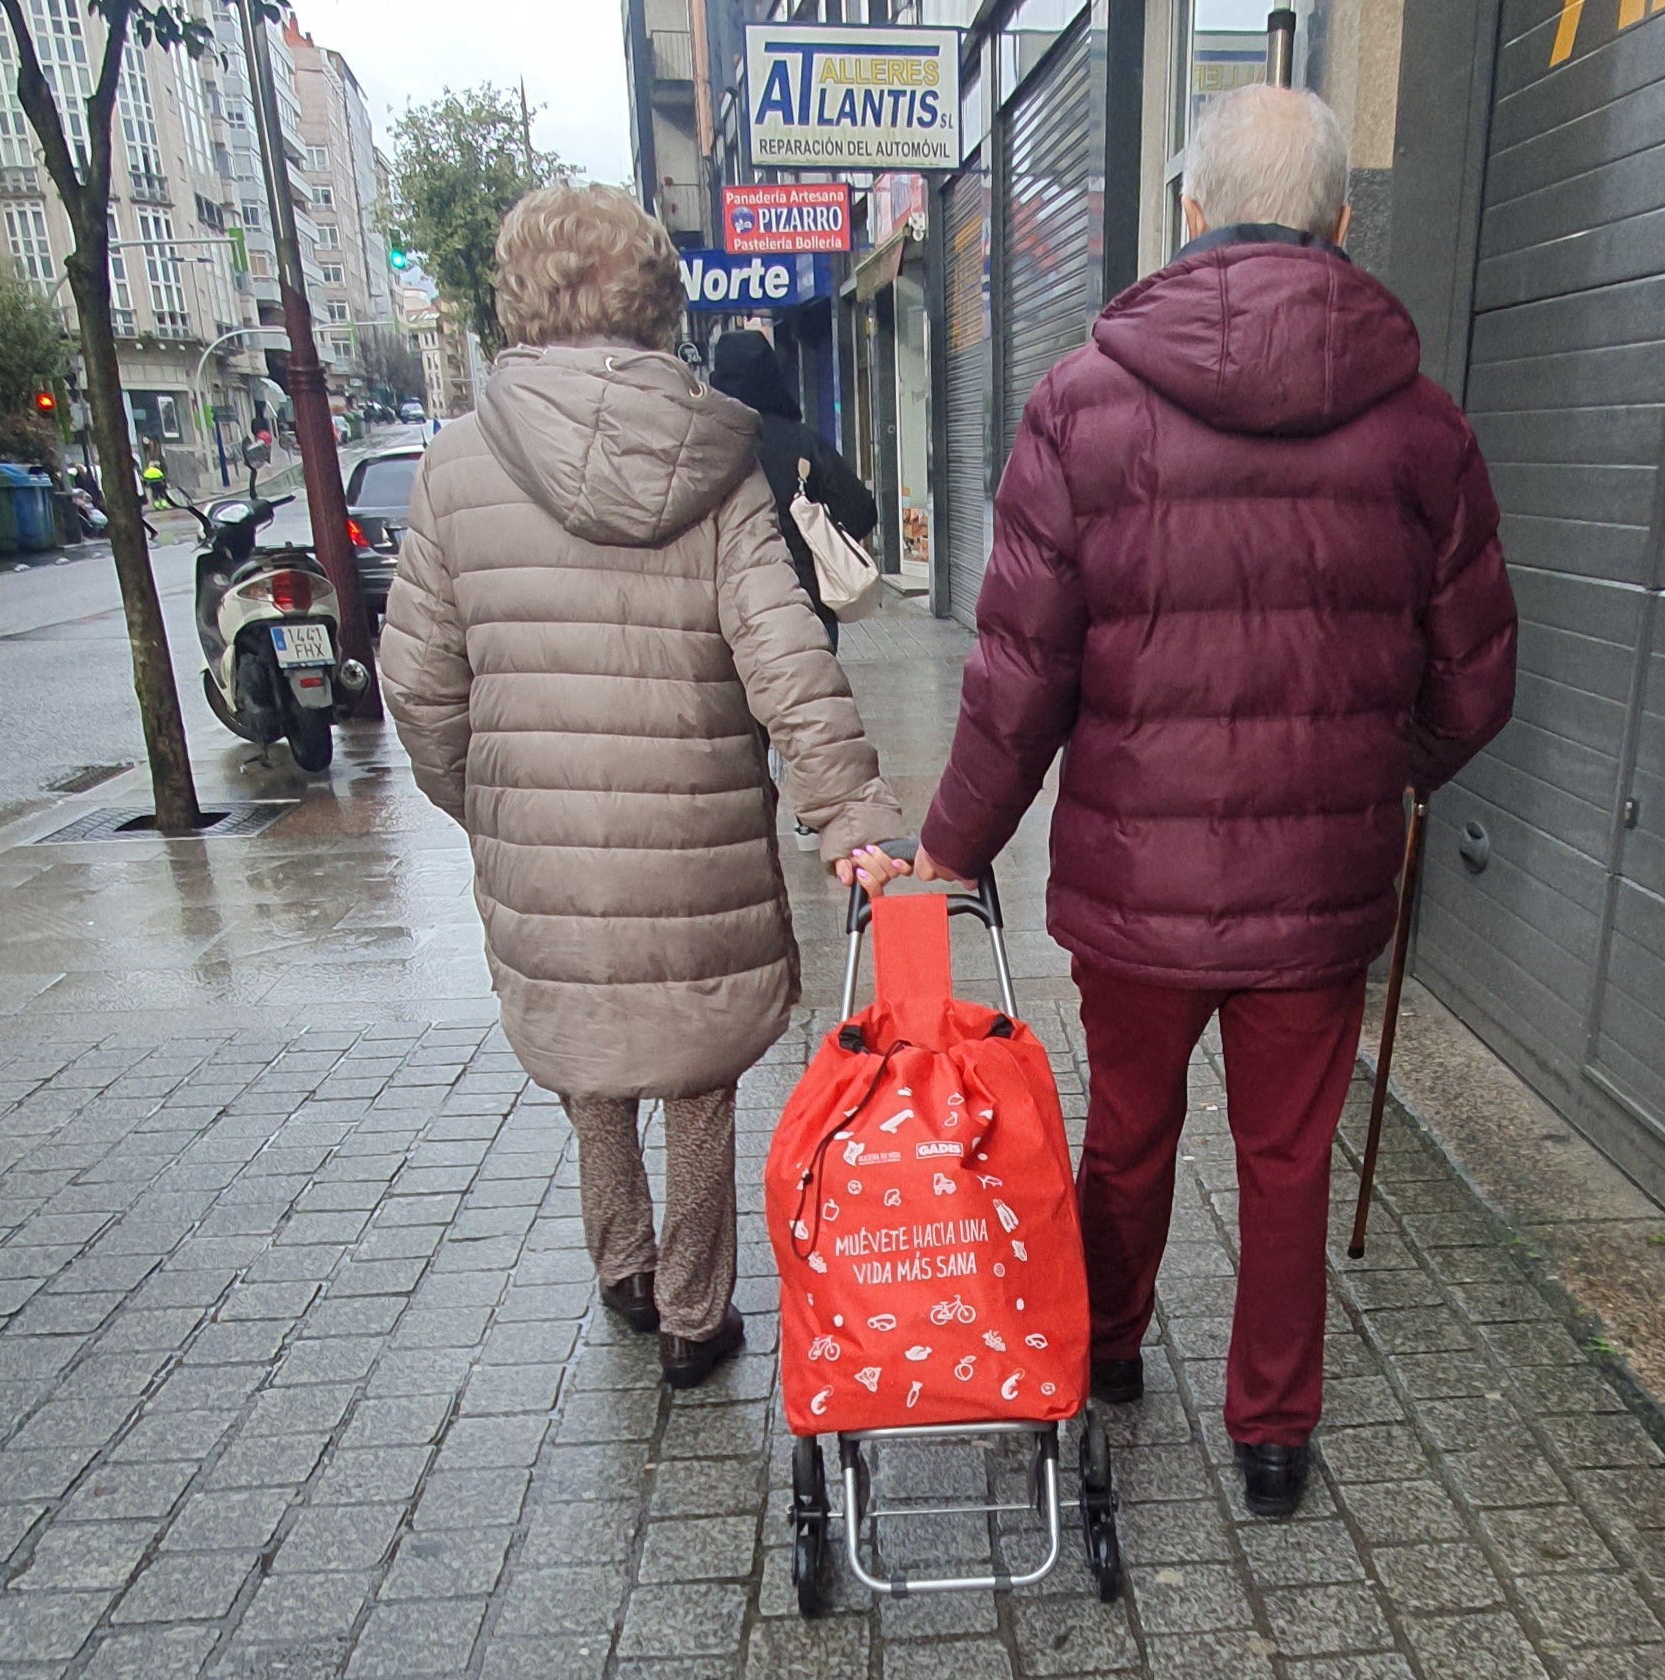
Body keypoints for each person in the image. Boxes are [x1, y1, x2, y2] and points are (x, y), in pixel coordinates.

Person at [915, 85, 1517, 1517]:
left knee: (1126, 1134)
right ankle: (1272, 1436)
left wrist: (950, 846)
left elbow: (1020, 674)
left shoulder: (1079, 406)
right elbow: (1478, 682)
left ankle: (1107, 1351)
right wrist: (1383, 767)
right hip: (1320, 896)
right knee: (1288, 1154)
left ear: (1189, 211)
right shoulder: (1426, 430)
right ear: (1344, 222)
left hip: (1134, 894)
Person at [381, 184, 909, 1390]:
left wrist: (489, 801)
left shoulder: (456, 468)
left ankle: (620, 1269)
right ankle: (694, 1312)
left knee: (593, 1067)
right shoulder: (719, 457)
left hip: (543, 848)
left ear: (520, 296)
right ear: (655, 299)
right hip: (697, 843)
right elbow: (786, 654)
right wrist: (851, 813)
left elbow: (414, 686)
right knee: (699, 1078)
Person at [708, 328, 877, 652]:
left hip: (731, 611)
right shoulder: (802, 441)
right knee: (812, 698)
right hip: (806, 606)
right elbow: (860, 509)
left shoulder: (706, 444)